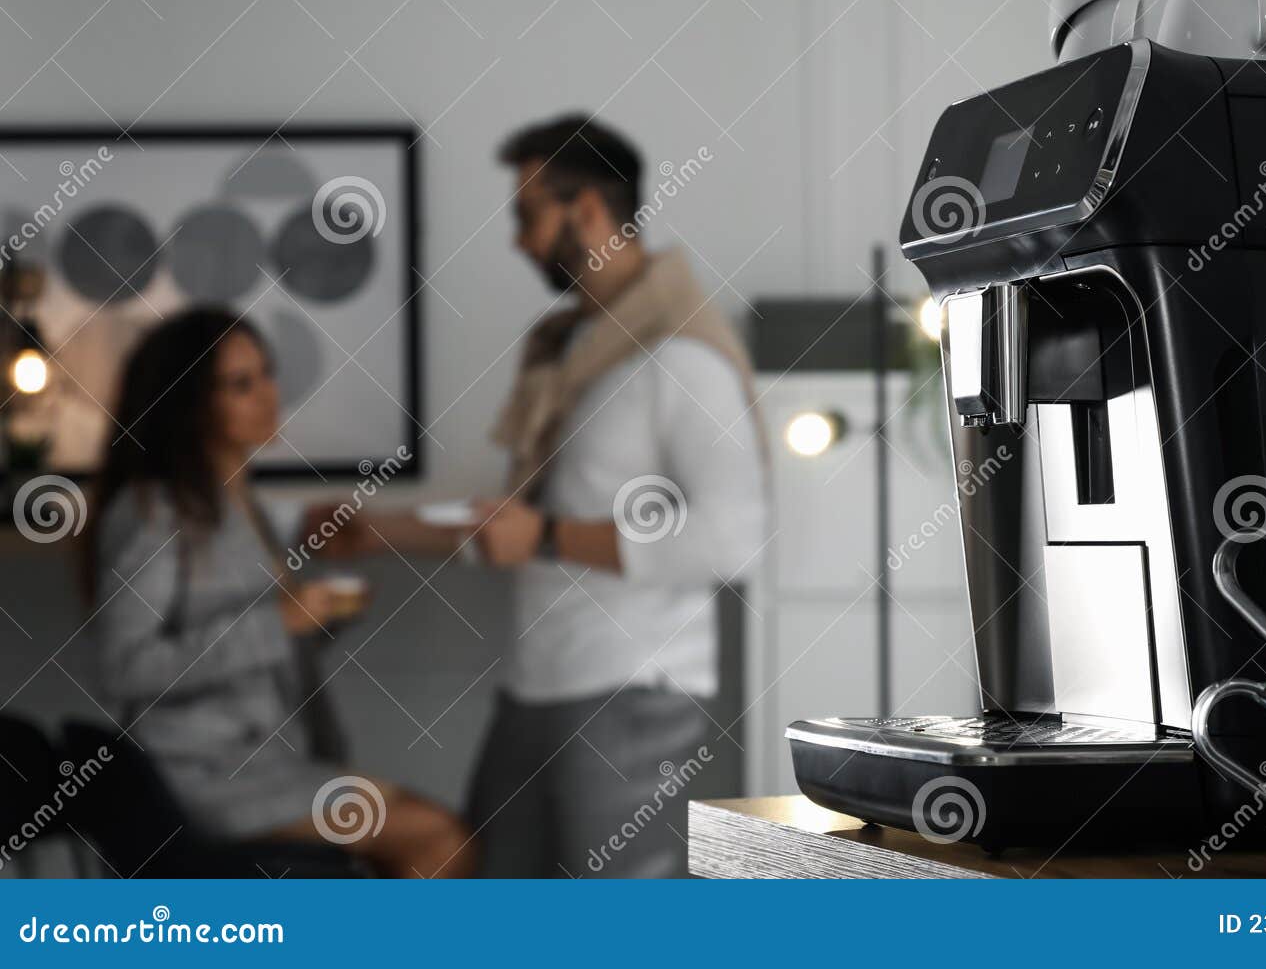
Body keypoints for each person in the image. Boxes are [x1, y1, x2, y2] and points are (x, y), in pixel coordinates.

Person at [310, 114, 769, 876]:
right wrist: (377, 529)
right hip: (539, 685)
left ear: (586, 209)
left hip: (631, 694)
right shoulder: (573, 355)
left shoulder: (682, 359)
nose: (519, 241)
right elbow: (517, 524)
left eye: (527, 215)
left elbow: (732, 541)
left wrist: (550, 538)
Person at [83, 308, 474, 878]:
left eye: (266, 374)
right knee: (436, 839)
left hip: (263, 761)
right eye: (241, 385)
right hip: (200, 773)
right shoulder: (155, 513)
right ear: (191, 404)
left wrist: (320, 618)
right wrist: (280, 622)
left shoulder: (239, 506)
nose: (269, 395)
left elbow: (254, 645)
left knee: (434, 833)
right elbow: (124, 667)